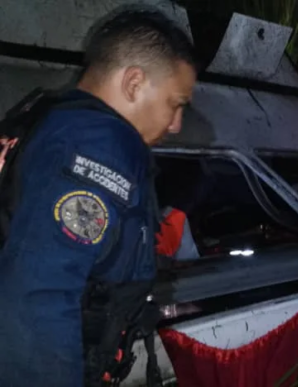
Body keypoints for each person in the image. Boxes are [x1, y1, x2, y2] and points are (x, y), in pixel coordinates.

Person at [0, 8, 196, 387]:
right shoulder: (99, 144)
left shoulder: (50, 118)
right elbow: (39, 299)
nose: (175, 124)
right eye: (176, 103)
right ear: (135, 83)